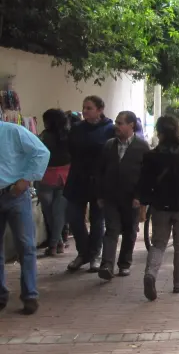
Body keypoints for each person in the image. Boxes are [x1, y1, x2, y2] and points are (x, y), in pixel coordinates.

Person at [138, 116, 179, 300]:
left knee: (158, 243)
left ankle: (151, 273)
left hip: (160, 205)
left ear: (160, 133)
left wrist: (146, 199)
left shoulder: (151, 156)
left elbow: (144, 181)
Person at [0, 120, 50, 315]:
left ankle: (30, 295)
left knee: (26, 246)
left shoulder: (13, 131)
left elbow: (41, 152)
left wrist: (26, 179)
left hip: (15, 194)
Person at [96, 111, 150, 280]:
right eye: (117, 123)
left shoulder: (142, 147)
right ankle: (107, 264)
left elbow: (146, 174)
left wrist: (140, 196)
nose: (116, 126)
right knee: (111, 229)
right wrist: (100, 194)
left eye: (120, 123)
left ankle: (124, 263)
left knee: (130, 229)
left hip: (131, 197)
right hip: (111, 195)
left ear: (131, 125)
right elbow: (101, 172)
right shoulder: (109, 145)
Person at [65, 95, 115, 272]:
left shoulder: (110, 129)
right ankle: (83, 252)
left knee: (97, 220)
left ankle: (95, 255)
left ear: (100, 110)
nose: (85, 111)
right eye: (84, 108)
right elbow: (70, 149)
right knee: (74, 218)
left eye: (89, 108)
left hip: (99, 180)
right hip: (78, 178)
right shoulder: (77, 128)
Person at [37, 109, 71, 257]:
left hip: (46, 176)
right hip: (65, 175)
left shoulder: (44, 136)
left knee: (49, 213)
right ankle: (57, 243)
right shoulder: (69, 136)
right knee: (59, 213)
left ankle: (55, 243)